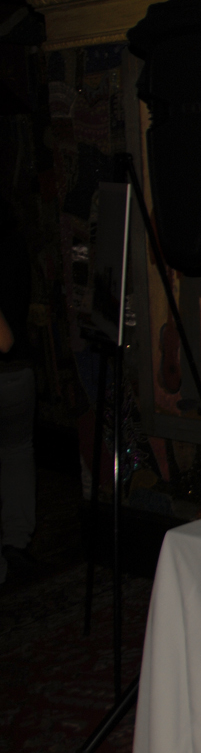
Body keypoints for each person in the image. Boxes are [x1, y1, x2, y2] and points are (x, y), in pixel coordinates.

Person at [0, 193, 37, 585]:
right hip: (18, 372)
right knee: (16, 454)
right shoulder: (13, 241)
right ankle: (17, 542)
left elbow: (3, 337)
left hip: (9, 362)